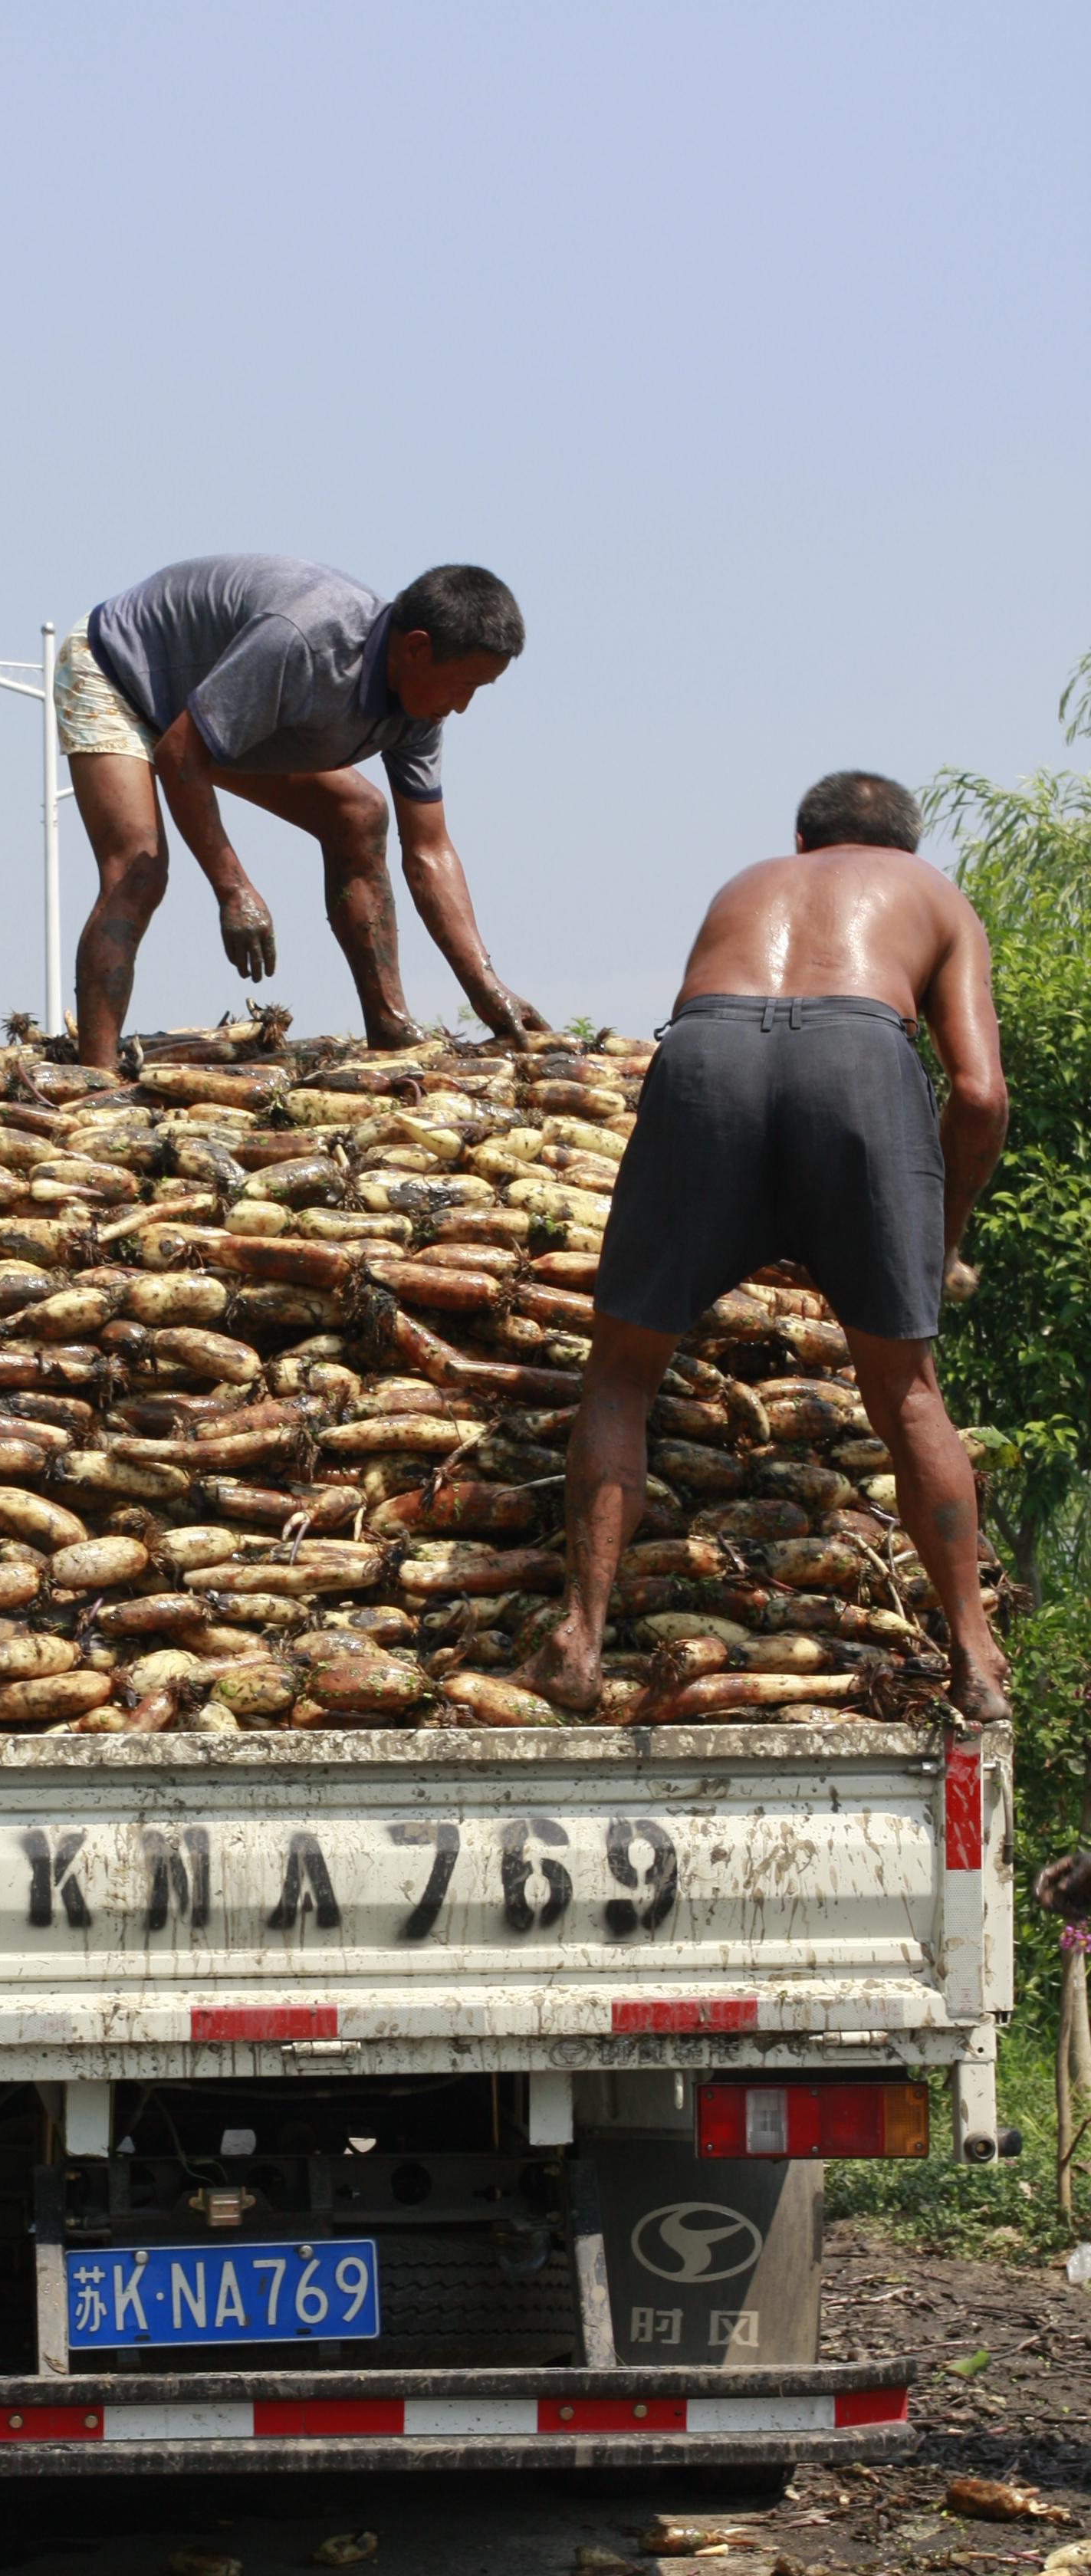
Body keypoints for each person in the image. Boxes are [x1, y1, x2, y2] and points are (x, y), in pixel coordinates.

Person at [522, 770, 1010, 1723]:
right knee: (907, 1391)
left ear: (803, 844)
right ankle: (977, 1660)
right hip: (860, 1063)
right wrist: (936, 1244)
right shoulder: (936, 897)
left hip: (711, 1055)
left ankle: (575, 1645)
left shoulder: (747, 886)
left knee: (622, 1373)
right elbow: (981, 1096)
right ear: (903, 851)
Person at [54, 555, 545, 1068]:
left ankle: (388, 1023)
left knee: (359, 814)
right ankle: (97, 1073)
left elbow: (428, 849)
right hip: (119, 674)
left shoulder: (419, 714)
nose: (462, 705)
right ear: (417, 647)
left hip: (221, 712)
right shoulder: (305, 641)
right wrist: (233, 888)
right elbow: (181, 753)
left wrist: (485, 987)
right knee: (140, 870)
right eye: (463, 685)